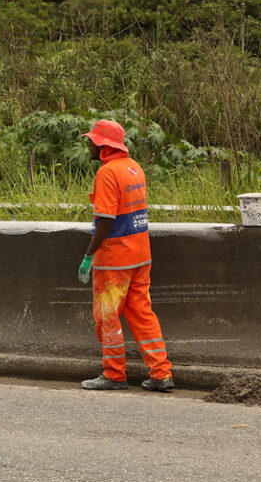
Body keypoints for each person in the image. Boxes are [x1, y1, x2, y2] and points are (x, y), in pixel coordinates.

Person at [77, 120, 175, 392]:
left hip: (115, 259)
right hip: (140, 255)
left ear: (102, 145)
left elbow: (106, 219)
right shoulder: (134, 168)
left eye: (91, 142)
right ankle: (161, 373)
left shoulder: (108, 173)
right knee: (143, 314)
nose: (89, 146)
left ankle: (114, 374)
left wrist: (89, 255)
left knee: (107, 317)